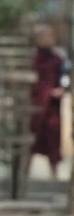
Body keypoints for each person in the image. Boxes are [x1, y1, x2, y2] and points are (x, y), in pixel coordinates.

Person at [26, 23, 67, 180]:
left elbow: (64, 76)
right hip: (34, 106)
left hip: (51, 107)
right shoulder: (33, 58)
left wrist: (62, 89)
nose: (48, 40)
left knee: (53, 141)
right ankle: (24, 173)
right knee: (30, 140)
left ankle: (54, 175)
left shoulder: (57, 58)